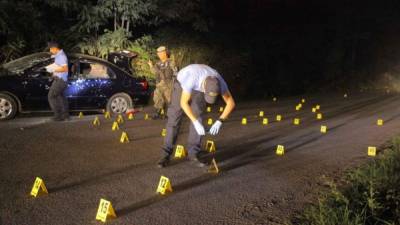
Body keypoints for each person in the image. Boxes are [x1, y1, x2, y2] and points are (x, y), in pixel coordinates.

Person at [158, 64, 235, 168]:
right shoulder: (192, 79)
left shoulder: (220, 82)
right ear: (204, 86)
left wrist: (219, 121)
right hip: (181, 84)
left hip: (199, 89)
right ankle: (165, 154)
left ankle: (194, 154)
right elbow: (183, 103)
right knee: (174, 118)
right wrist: (194, 122)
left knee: (198, 116)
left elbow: (231, 103)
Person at [148, 46, 177, 119]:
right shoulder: (158, 63)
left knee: (169, 99)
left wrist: (175, 82)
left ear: (165, 53)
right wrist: (151, 65)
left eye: (161, 53)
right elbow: (154, 72)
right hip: (159, 83)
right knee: (157, 97)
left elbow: (176, 72)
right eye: (158, 54)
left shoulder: (171, 62)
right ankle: (157, 113)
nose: (159, 55)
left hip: (168, 83)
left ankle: (169, 114)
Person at [46, 42, 69, 121]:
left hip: (60, 81)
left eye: (50, 49)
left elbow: (65, 69)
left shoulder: (61, 56)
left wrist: (53, 69)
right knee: (60, 97)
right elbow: (59, 66)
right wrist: (54, 73)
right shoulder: (59, 55)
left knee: (51, 96)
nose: (50, 50)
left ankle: (58, 115)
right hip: (61, 80)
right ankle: (65, 115)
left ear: (55, 48)